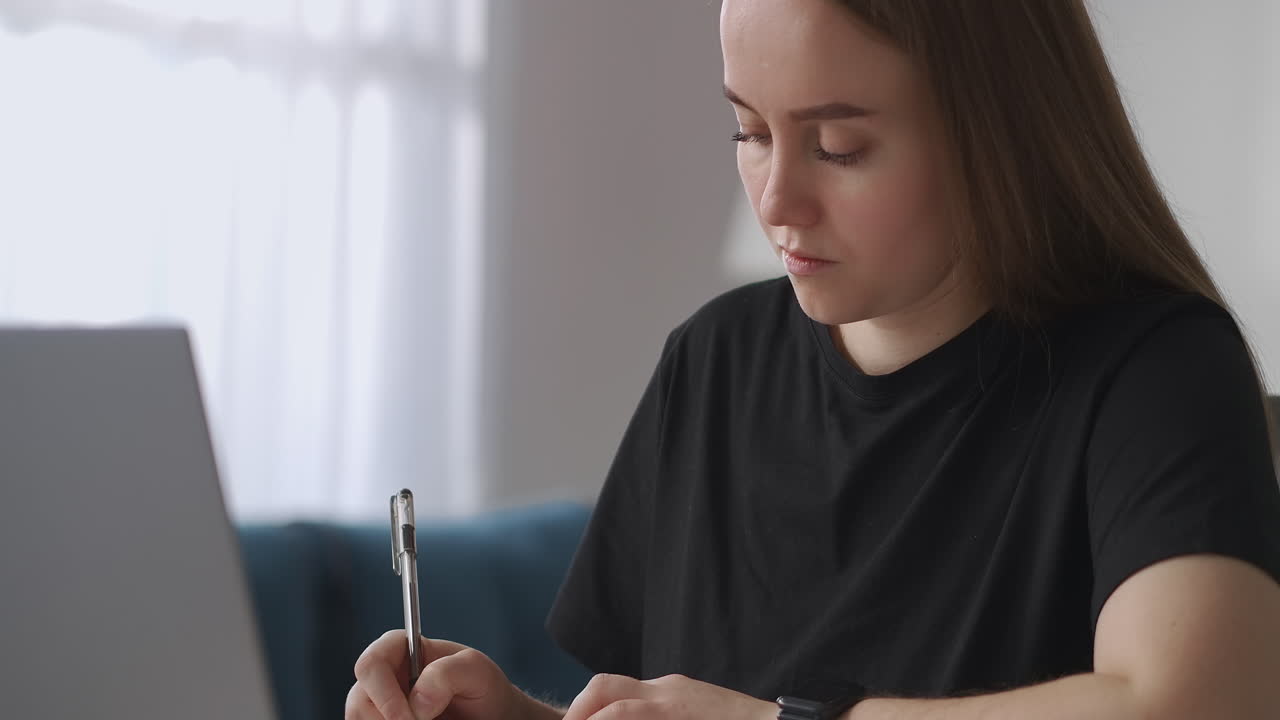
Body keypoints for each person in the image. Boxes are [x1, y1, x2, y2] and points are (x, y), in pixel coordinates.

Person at [346, 0, 1280, 718]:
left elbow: (1193, 702)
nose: (777, 199)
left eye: (838, 146)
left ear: (999, 134)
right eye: (749, 131)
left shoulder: (1157, 372)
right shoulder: (712, 362)